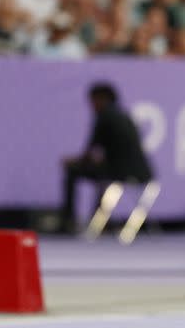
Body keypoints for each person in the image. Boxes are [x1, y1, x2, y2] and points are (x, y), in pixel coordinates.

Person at [60, 82, 153, 233]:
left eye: (93, 101)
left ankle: (68, 222)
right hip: (142, 171)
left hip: (120, 172)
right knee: (102, 176)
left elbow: (90, 153)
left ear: (102, 99)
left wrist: (73, 161)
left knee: (73, 171)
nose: (92, 106)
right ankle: (101, 222)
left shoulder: (104, 117)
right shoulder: (123, 115)